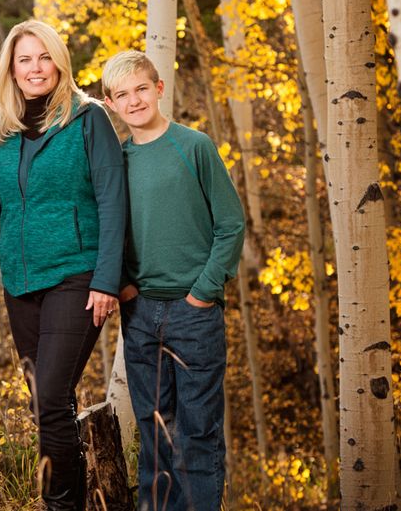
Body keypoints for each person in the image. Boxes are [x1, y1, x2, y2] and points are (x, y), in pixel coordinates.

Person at [0, 20, 127, 510]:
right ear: (12, 68)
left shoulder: (88, 120)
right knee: (49, 401)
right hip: (21, 281)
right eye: (24, 59)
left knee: (49, 398)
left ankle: (61, 505)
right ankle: (86, 496)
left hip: (78, 275)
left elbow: (113, 200)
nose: (35, 68)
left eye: (44, 57)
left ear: (60, 62)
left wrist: (108, 278)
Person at [101, 50, 245, 511]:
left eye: (142, 88)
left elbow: (231, 224)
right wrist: (124, 287)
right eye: (122, 95)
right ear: (110, 103)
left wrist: (203, 293)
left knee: (198, 435)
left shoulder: (194, 146)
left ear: (159, 88)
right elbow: (108, 231)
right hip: (140, 313)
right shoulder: (115, 161)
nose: (134, 100)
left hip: (194, 315)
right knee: (155, 434)